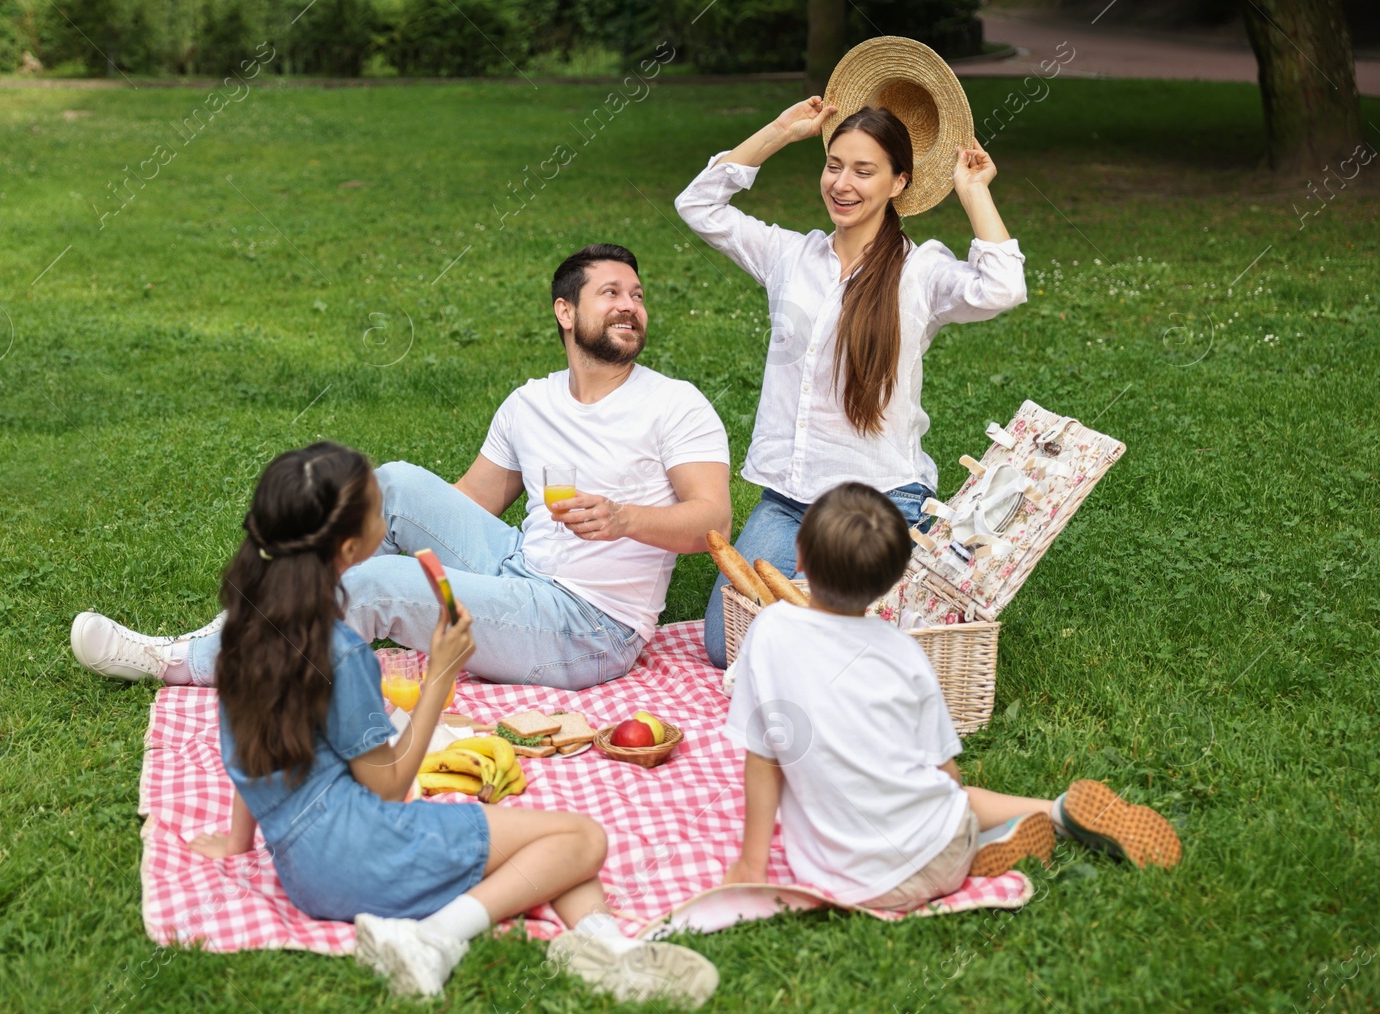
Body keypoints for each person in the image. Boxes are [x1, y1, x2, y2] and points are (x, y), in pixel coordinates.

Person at [191, 441, 720, 1003]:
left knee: (543, 855)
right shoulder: (338, 653)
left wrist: (237, 841)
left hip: (304, 873)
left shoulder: (247, 634)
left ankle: (605, 947)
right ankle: (434, 939)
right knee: (582, 838)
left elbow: (257, 743)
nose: (384, 517)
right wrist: (440, 675)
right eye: (377, 511)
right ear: (350, 546)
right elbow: (389, 784)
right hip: (364, 856)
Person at [70, 244, 731, 691]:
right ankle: (274, 615)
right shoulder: (532, 402)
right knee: (391, 485)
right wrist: (392, 525)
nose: (630, 305)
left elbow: (712, 521)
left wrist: (623, 518)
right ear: (565, 311)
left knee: (379, 586)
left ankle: (179, 661)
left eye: (638, 295)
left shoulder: (674, 403)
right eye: (611, 291)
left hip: (588, 624)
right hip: (520, 567)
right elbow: (472, 500)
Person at [676, 97, 1029, 668]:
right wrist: (781, 131)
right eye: (834, 165)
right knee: (726, 645)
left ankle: (838, 623)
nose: (843, 183)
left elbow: (1002, 287)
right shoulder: (790, 256)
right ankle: (832, 623)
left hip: (876, 501)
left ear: (898, 183)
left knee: (804, 644)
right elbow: (697, 204)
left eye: (864, 171)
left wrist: (973, 190)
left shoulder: (920, 273)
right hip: (789, 502)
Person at [722, 483, 1181, 909]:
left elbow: (763, 758)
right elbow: (947, 773)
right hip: (939, 856)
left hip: (849, 883)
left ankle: (1004, 835)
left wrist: (751, 865)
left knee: (931, 800)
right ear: (892, 581)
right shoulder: (903, 651)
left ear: (798, 556)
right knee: (947, 797)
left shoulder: (769, 631)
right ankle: (1040, 816)